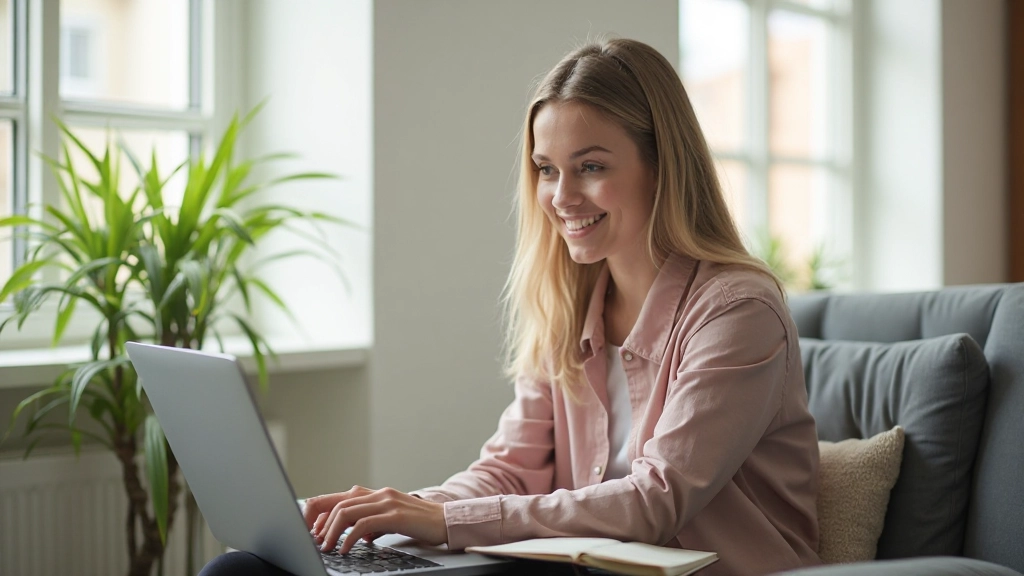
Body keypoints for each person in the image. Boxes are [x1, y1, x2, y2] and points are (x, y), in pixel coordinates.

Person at [201, 38, 821, 576]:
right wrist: (388, 515)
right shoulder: (570, 301)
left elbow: (654, 501)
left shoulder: (737, 310)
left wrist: (440, 520)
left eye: (592, 167)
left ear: (663, 167)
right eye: (547, 169)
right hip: (586, 569)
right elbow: (508, 472)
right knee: (248, 570)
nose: (561, 196)